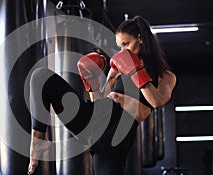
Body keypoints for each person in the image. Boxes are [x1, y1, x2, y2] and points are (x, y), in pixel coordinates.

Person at [27, 16, 176, 175]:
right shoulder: (118, 67)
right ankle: (38, 142)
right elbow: (100, 99)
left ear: (140, 39)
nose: (122, 51)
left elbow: (157, 101)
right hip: (93, 117)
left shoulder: (165, 76)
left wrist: (136, 71)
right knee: (40, 77)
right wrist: (92, 83)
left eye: (126, 44)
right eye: (120, 47)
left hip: (116, 134)